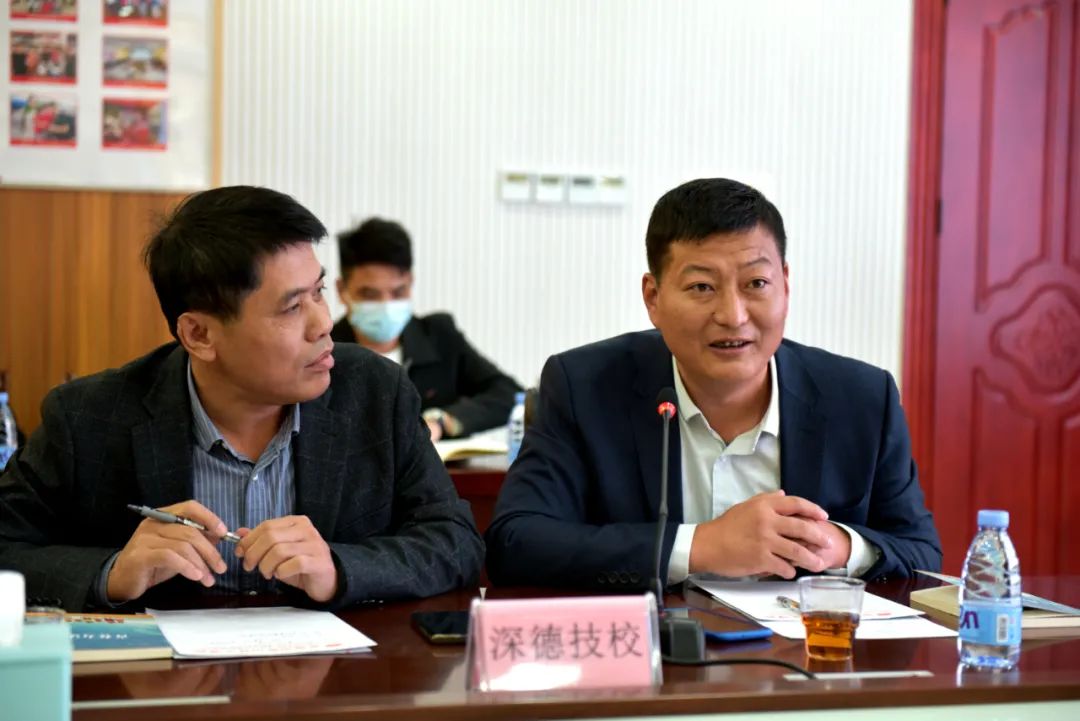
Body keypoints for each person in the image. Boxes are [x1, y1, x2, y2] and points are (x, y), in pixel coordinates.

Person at [0, 186, 483, 611]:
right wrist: (112, 573)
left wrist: (340, 568)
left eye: (318, 292)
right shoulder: (88, 417)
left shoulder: (375, 393)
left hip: (331, 677)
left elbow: (456, 541)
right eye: (292, 307)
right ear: (199, 334)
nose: (323, 323)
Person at [486, 178, 941, 590]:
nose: (733, 315)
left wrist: (838, 546)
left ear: (785, 285)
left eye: (756, 283)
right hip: (659, 652)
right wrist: (703, 546)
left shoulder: (862, 398)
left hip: (804, 653)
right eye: (702, 287)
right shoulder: (584, 387)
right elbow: (516, 544)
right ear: (653, 298)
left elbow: (920, 553)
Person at [332, 217, 521, 441]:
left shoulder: (439, 336)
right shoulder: (325, 350)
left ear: (410, 283)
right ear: (342, 290)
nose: (386, 305)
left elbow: (508, 394)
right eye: (370, 295)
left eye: (398, 292)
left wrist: (442, 422)